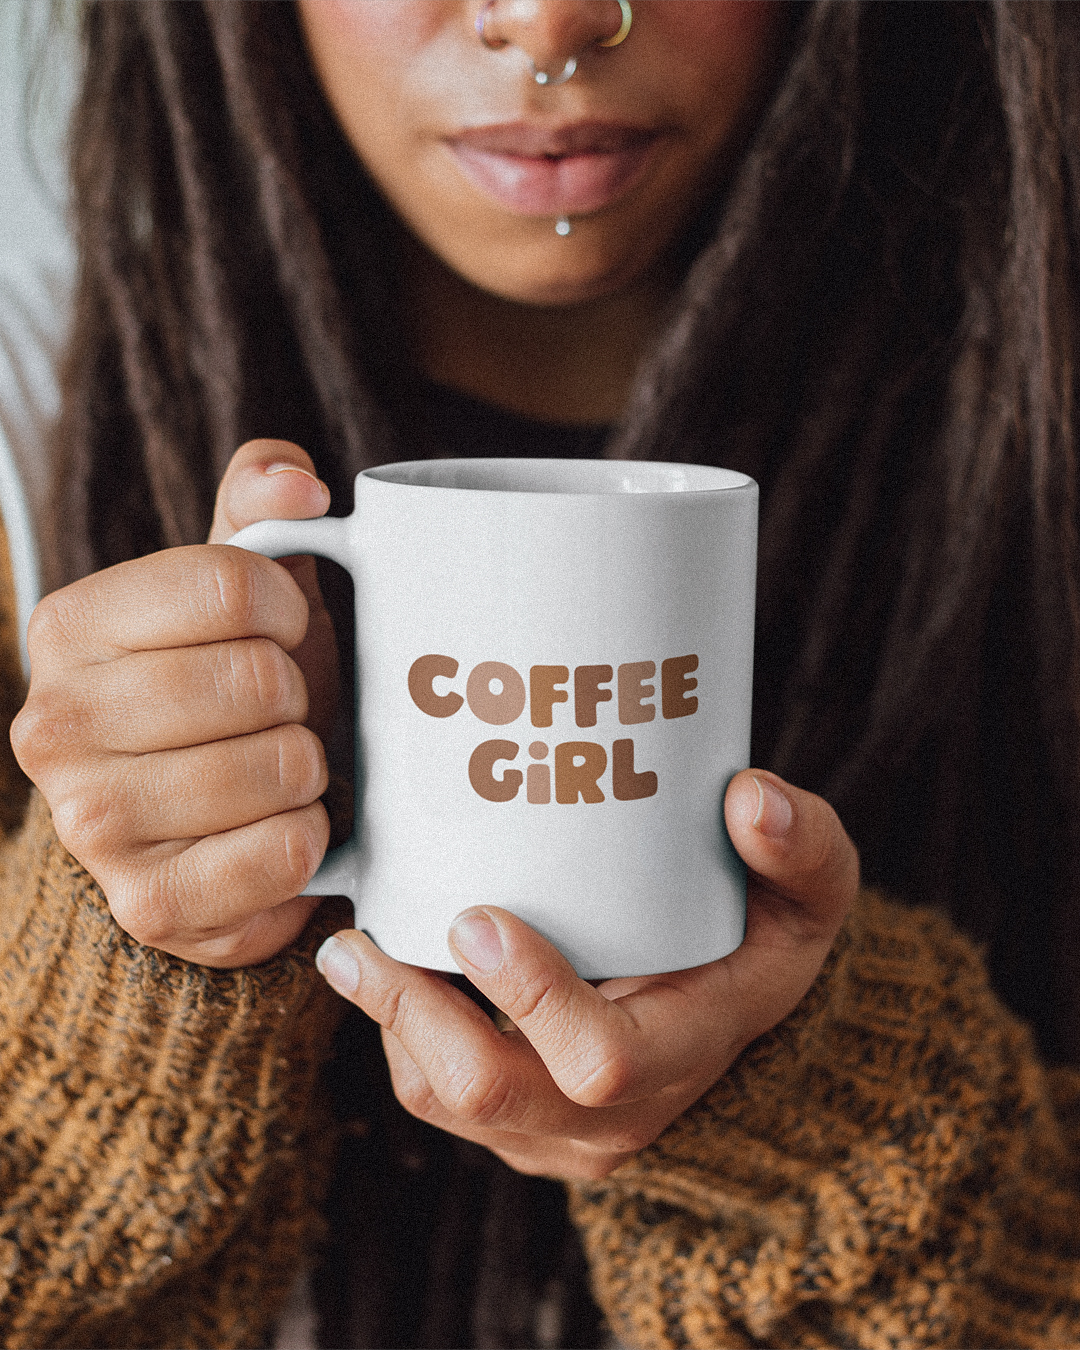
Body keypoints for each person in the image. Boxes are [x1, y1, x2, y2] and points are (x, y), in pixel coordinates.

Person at [1, 2, 1079, 1346]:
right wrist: (117, 1001)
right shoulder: (27, 428)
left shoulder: (1034, 407)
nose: (552, 16)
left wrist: (833, 1114)